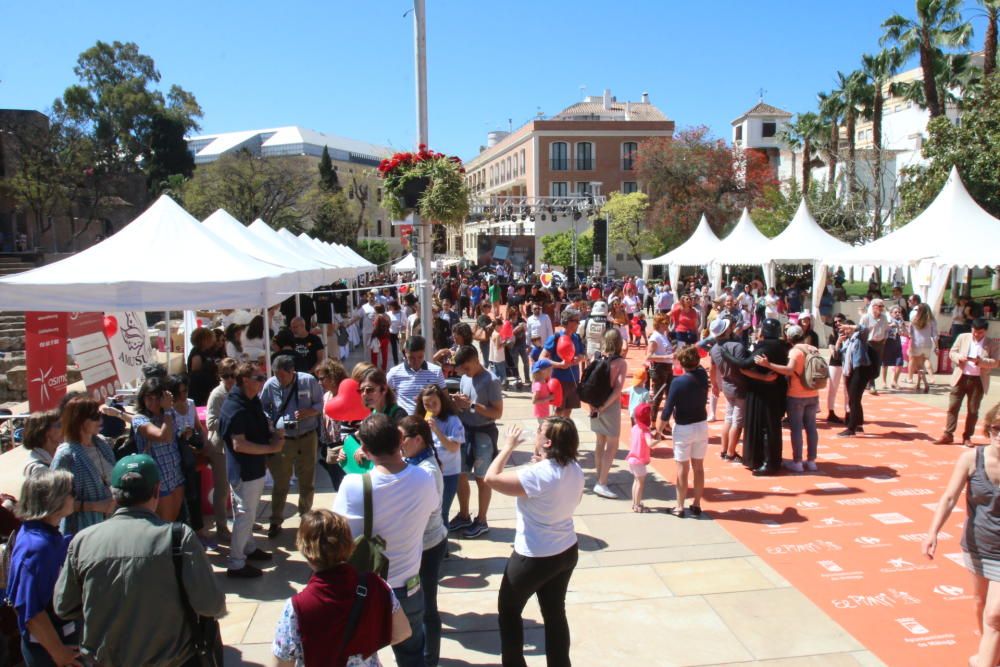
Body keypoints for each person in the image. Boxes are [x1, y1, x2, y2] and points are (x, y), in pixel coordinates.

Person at [54, 454, 225, 665]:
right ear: (156, 490)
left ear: (113, 493)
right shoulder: (178, 538)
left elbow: (63, 606)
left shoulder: (82, 541)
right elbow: (211, 605)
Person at [333, 414, 438, 667]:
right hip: (408, 588)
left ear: (365, 450)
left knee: (360, 655)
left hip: (365, 591)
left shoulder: (352, 485)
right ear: (400, 439)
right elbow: (434, 509)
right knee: (412, 655)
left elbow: (337, 532)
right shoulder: (425, 479)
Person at [485, 418, 584, 667]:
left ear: (548, 442)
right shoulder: (574, 468)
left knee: (509, 612)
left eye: (540, 431)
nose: (536, 433)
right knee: (554, 614)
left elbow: (491, 478)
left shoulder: (537, 475)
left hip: (533, 557)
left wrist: (507, 446)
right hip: (566, 551)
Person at [271, 509, 411, 667]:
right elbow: (403, 632)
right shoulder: (376, 585)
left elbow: (282, 661)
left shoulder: (296, 607)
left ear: (305, 550)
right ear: (349, 544)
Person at [922, 402, 1000, 667]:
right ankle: (988, 651)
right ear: (989, 429)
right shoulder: (971, 458)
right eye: (996, 428)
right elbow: (949, 497)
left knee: (994, 614)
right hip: (978, 543)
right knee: (980, 603)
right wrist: (932, 532)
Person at [219, 362, 286, 578]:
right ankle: (236, 562)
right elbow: (239, 444)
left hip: (254, 469)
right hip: (243, 471)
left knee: (249, 511)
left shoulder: (251, 401)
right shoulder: (235, 407)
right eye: (258, 378)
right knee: (245, 515)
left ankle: (248, 548)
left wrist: (273, 434)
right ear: (245, 380)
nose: (263, 381)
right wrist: (270, 447)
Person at [5, 469, 78, 667]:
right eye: (70, 492)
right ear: (53, 501)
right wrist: (59, 653)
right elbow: (31, 612)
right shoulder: (38, 547)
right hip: (49, 651)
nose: (74, 496)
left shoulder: (39, 533)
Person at [398, 416, 449, 667]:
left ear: (418, 440)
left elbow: (428, 510)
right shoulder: (411, 460)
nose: (398, 443)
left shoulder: (426, 470)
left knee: (427, 606)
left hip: (428, 545)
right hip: (416, 544)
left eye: (402, 438)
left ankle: (430, 660)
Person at [260, 354, 325, 539]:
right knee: (281, 482)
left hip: (307, 436)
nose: (279, 380)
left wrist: (309, 412)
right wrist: (271, 424)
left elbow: (321, 403)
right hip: (283, 439)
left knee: (307, 481)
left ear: (292, 372)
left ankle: (305, 518)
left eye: (283, 376)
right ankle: (275, 520)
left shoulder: (308, 381)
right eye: (276, 375)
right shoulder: (270, 385)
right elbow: (263, 407)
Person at [449, 345, 504, 539]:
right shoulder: (465, 378)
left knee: (482, 478)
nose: (464, 372)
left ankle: (481, 520)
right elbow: (464, 406)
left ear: (475, 360)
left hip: (483, 434)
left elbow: (497, 412)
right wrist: (456, 403)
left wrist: (471, 405)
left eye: (466, 367)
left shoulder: (492, 380)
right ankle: (464, 515)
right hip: (464, 432)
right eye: (462, 369)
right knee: (461, 474)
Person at [757, 325, 820, 472]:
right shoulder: (813, 349)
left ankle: (797, 461)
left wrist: (768, 365)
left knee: (797, 429)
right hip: (813, 393)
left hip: (797, 395)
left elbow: (790, 370)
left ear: (788, 338)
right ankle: (811, 461)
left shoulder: (795, 351)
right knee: (811, 428)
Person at [51, 397, 117, 533]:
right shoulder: (66, 455)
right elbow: (55, 501)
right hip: (82, 529)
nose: (100, 420)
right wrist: (95, 506)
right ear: (79, 420)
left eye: (100, 414)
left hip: (109, 525)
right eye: (94, 416)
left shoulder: (102, 445)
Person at [935, 319, 999, 446]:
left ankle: (967, 436)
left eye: (980, 333)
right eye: (975, 332)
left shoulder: (992, 344)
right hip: (961, 377)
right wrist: (959, 358)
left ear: (985, 331)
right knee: (953, 406)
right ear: (971, 329)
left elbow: (996, 362)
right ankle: (948, 434)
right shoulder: (963, 337)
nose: (977, 335)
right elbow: (952, 352)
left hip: (978, 380)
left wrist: (981, 362)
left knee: (973, 410)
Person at [662, 345, 709, 515]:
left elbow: (667, 409)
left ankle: (680, 506)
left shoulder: (678, 382)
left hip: (683, 427)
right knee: (698, 467)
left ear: (682, 363)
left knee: (682, 468)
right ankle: (696, 503)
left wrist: (658, 431)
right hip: (701, 425)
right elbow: (699, 366)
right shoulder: (703, 375)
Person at [132, 377, 186, 522]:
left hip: (175, 473)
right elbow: (164, 436)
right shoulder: (140, 419)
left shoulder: (168, 414)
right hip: (158, 479)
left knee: (173, 519)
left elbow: (185, 409)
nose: (153, 403)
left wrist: (171, 404)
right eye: (149, 398)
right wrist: (168, 410)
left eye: (157, 398)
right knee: (164, 523)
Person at [415, 385, 466, 527]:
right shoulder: (420, 420)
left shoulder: (452, 421)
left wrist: (436, 430)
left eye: (434, 403)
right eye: (427, 404)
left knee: (442, 511)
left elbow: (454, 447)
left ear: (442, 402)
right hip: (427, 472)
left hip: (448, 473)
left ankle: (443, 545)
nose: (431, 407)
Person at [169, 373, 211, 540]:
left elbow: (198, 427)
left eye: (185, 391)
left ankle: (198, 527)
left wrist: (199, 440)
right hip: (175, 456)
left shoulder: (191, 403)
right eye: (179, 392)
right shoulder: (167, 410)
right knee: (182, 495)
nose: (183, 395)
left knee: (194, 493)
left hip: (191, 455)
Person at [590, 330, 628, 500]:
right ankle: (602, 482)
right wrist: (605, 406)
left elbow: (589, 383)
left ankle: (600, 477)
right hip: (609, 407)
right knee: (612, 444)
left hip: (594, 404)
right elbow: (618, 389)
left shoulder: (596, 357)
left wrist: (595, 406)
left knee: (599, 442)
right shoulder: (620, 362)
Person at [204, 357, 237, 540]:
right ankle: (222, 526)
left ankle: (239, 519)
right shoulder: (217, 395)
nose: (230, 379)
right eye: (226, 376)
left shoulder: (239, 390)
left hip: (237, 446)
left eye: (233, 375)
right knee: (222, 488)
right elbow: (210, 423)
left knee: (238, 486)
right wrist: (231, 421)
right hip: (221, 448)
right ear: (220, 376)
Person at [541, 309, 586, 420]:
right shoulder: (555, 338)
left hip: (573, 379)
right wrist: (559, 364)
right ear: (568, 322)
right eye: (576, 321)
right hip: (559, 381)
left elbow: (584, 355)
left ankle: (564, 432)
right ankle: (552, 431)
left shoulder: (577, 338)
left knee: (569, 410)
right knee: (558, 411)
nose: (578, 323)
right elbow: (541, 358)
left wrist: (579, 358)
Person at [387, 335, 446, 415]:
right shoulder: (394, 373)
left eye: (420, 357)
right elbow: (386, 397)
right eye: (411, 358)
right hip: (404, 420)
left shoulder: (436, 371)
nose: (416, 361)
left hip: (429, 418)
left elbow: (445, 397)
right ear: (405, 353)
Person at [647, 313, 676, 439]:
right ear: (658, 323)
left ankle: (665, 424)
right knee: (658, 397)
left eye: (667, 322)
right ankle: (652, 425)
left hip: (668, 368)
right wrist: (667, 357)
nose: (667, 325)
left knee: (670, 397)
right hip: (660, 369)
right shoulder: (655, 337)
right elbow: (649, 356)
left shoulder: (664, 336)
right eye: (665, 322)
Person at [627, 402, 654, 513]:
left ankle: (635, 502)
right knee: (640, 483)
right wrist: (657, 440)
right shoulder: (645, 431)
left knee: (636, 481)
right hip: (639, 460)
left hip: (632, 459)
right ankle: (638, 505)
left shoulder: (635, 428)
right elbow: (650, 444)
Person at [825, 314, 851, 424]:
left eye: (840, 321)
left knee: (847, 390)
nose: (837, 323)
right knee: (832, 388)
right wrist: (839, 341)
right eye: (835, 322)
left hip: (847, 364)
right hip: (835, 363)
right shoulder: (832, 335)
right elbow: (834, 353)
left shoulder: (850, 332)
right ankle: (831, 413)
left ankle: (848, 413)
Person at [908, 302, 939, 393]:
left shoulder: (914, 320)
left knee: (919, 365)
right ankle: (919, 383)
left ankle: (925, 383)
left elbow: (910, 334)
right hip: (927, 344)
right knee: (925, 361)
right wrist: (937, 347)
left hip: (916, 344)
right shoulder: (932, 320)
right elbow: (935, 335)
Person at [20, 410, 61, 479]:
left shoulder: (59, 454)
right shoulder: (39, 468)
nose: (64, 428)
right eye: (59, 425)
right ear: (45, 432)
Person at [859, 299, 888, 394]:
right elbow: (860, 330)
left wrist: (885, 339)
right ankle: (872, 384)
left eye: (882, 306)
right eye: (879, 306)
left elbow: (886, 329)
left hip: (880, 343)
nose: (881, 308)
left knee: (877, 365)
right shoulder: (866, 317)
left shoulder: (884, 317)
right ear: (873, 306)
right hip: (869, 343)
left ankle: (868, 381)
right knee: (870, 364)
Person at [186, 327, 219, 407]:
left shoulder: (207, 351)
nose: (213, 339)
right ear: (204, 340)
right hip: (201, 392)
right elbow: (196, 375)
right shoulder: (197, 354)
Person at [880, 305, 907, 390]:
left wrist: (902, 325)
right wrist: (891, 325)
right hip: (888, 342)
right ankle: (884, 382)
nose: (898, 314)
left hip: (897, 342)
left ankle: (894, 381)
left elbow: (904, 332)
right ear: (891, 313)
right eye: (895, 312)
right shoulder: (887, 320)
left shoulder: (900, 321)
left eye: (899, 312)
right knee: (885, 364)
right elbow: (883, 329)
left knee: (900, 363)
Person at [530, 359, 553, 424]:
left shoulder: (543, 382)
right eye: (550, 369)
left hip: (545, 412)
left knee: (543, 429)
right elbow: (534, 401)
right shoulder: (538, 385)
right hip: (541, 414)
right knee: (543, 429)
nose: (551, 371)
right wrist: (549, 398)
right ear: (544, 371)